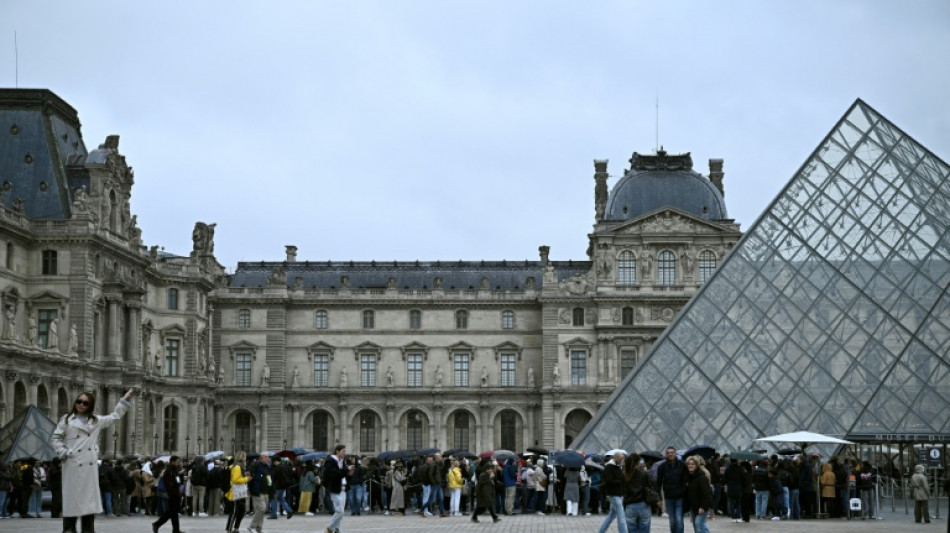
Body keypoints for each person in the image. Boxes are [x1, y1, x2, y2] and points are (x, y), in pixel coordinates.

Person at [51, 388, 134, 533]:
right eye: (79, 401)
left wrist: (124, 400)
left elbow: (114, 417)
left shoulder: (96, 420)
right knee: (71, 503)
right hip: (72, 466)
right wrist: (65, 452)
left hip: (88, 468)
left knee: (88, 505)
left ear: (90, 405)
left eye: (85, 403)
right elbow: (55, 438)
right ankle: (69, 530)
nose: (81, 405)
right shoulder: (67, 419)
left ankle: (88, 530)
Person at [656, 446, 686, 533]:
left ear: (675, 453)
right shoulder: (662, 466)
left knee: (679, 519)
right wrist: (659, 498)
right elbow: (658, 483)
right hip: (669, 497)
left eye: (672, 452)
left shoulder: (682, 465)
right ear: (666, 454)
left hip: (680, 496)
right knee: (672, 520)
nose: (670, 454)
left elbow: (686, 479)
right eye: (668, 453)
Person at [597, 450, 627, 533]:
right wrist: (621, 481)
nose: (622, 461)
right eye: (621, 459)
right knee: (621, 516)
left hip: (618, 494)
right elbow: (609, 481)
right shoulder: (609, 467)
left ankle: (601, 531)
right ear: (616, 458)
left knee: (611, 515)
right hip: (614, 494)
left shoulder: (618, 467)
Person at [151, 455, 182, 533]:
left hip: (176, 493)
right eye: (177, 461)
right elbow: (168, 483)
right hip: (173, 494)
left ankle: (176, 529)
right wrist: (171, 492)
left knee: (174, 513)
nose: (178, 463)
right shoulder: (169, 470)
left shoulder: (175, 470)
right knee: (171, 512)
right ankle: (157, 524)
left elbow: (176, 480)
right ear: (172, 462)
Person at [623, 453, 652, 533]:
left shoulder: (625, 475)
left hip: (630, 505)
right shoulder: (643, 474)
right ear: (638, 462)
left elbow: (622, 490)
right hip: (643, 504)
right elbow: (649, 487)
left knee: (631, 530)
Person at [225, 452, 251, 533]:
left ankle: (236, 528)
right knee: (235, 512)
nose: (246, 459)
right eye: (245, 457)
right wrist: (246, 479)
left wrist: (245, 475)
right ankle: (230, 529)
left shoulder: (239, 466)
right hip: (236, 492)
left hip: (240, 492)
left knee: (241, 511)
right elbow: (235, 480)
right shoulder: (237, 467)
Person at [324, 444, 348, 533]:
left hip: (343, 487)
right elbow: (334, 474)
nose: (345, 453)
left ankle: (337, 529)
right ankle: (329, 528)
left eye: (345, 451)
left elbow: (344, 474)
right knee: (340, 511)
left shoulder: (342, 461)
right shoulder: (330, 461)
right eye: (343, 451)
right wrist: (346, 470)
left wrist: (349, 472)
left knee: (340, 510)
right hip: (334, 488)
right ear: (337, 451)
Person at [685, 456, 712, 533]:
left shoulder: (702, 477)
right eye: (689, 464)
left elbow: (706, 493)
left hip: (702, 506)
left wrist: (702, 507)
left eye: (692, 464)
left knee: (698, 524)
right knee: (697, 526)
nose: (690, 465)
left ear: (697, 465)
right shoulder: (689, 477)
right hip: (693, 507)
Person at [248, 452, 272, 533]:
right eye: (265, 457)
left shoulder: (268, 467)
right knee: (261, 508)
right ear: (261, 458)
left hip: (266, 491)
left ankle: (259, 528)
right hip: (257, 491)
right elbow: (250, 478)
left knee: (262, 510)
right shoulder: (255, 466)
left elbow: (269, 479)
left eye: (268, 457)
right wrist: (249, 489)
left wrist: (272, 490)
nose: (267, 459)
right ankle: (252, 526)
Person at [471, 458, 501, 523]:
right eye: (489, 469)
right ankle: (494, 517)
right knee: (483, 506)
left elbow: (491, 482)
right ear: (486, 469)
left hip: (487, 493)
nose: (491, 470)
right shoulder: (483, 475)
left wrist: (492, 478)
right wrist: (476, 492)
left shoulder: (487, 475)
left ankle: (494, 517)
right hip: (483, 494)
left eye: (491, 469)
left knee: (485, 506)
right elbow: (479, 484)